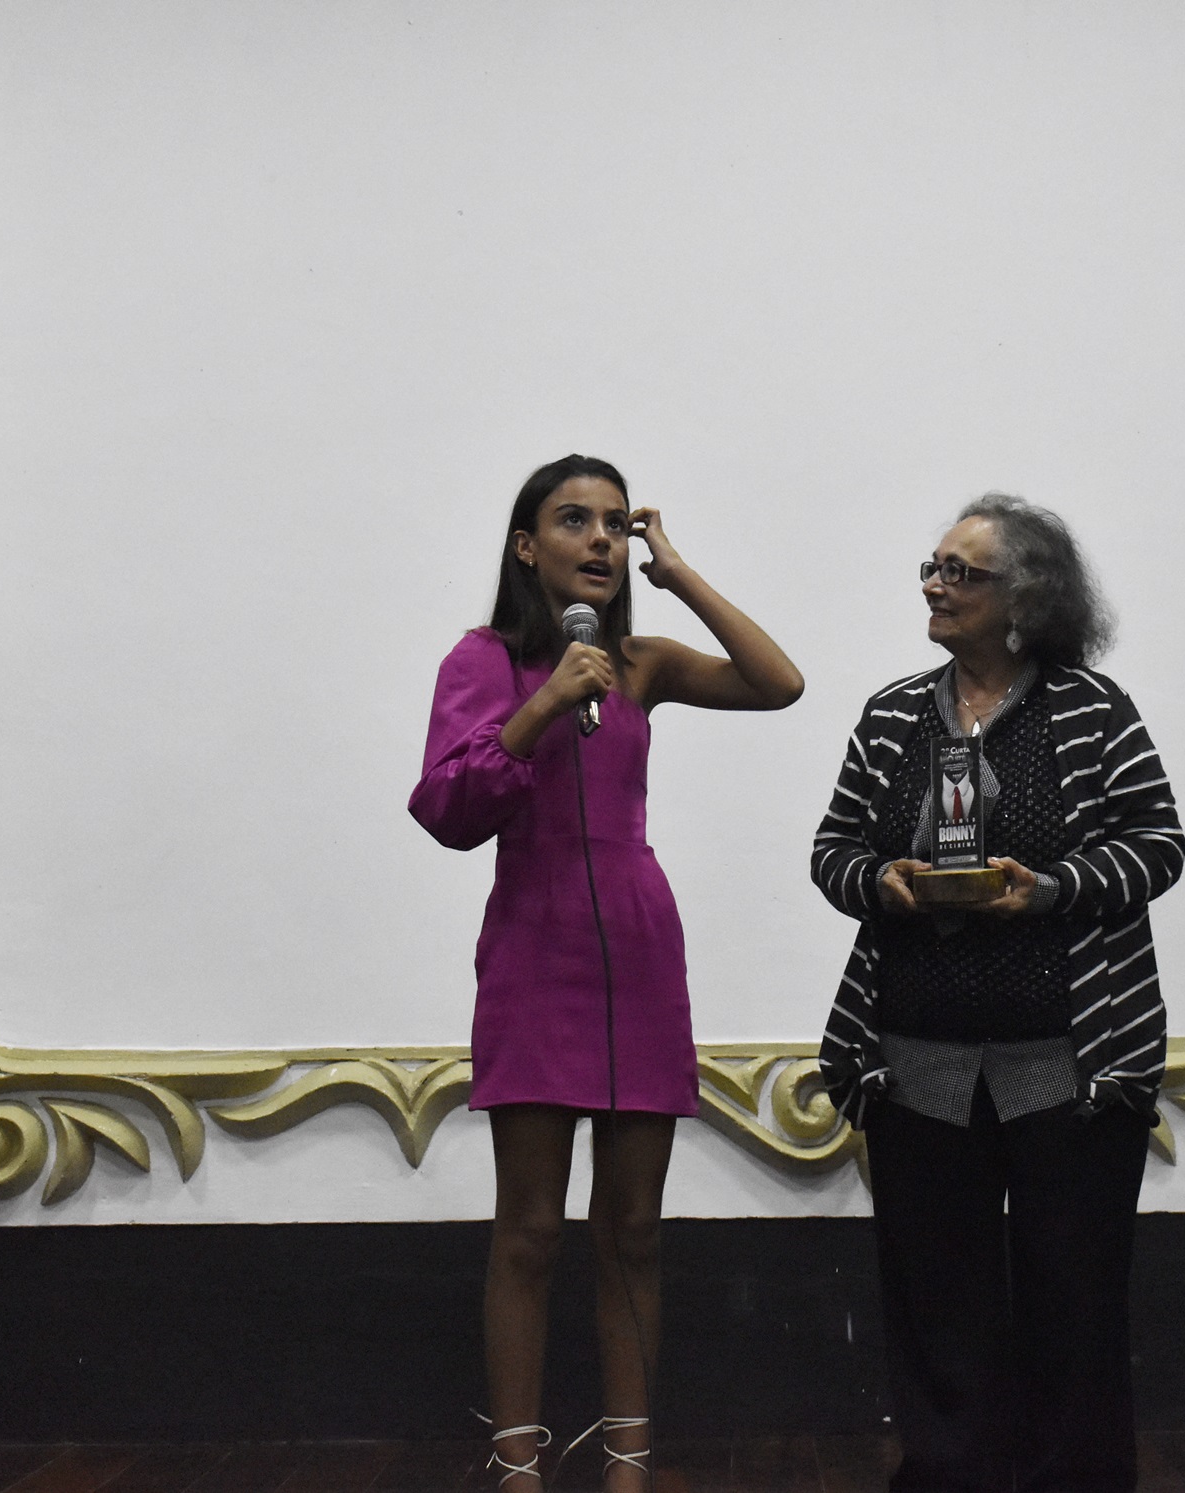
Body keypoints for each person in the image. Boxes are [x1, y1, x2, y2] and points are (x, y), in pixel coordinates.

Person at [408, 455, 804, 1490]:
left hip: (637, 946)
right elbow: (447, 810)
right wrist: (543, 704)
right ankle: (519, 1469)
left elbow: (780, 682)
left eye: (616, 524)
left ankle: (629, 1467)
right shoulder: (483, 660)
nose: (600, 539)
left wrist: (681, 574)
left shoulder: (641, 662)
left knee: (633, 1230)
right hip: (535, 944)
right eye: (574, 519)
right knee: (530, 1230)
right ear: (525, 544)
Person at [812, 495, 1185, 1493]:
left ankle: (1072, 1476)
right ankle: (950, 1472)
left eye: (960, 572)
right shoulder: (893, 715)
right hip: (918, 1064)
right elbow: (833, 848)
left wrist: (1050, 887)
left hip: (1069, 1063)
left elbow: (1159, 844)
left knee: (1074, 1294)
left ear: (1027, 596)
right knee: (937, 1296)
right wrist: (880, 879)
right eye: (932, 567)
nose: (935, 586)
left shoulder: (1093, 710)